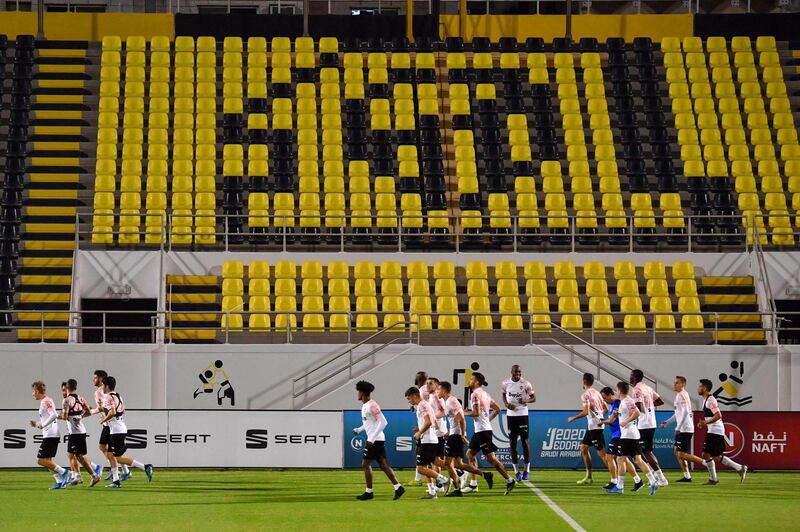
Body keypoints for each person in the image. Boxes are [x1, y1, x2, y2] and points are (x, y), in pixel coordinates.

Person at [437, 381, 493, 497]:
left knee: (448, 463)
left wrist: (461, 435)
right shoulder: (447, 401)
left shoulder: (451, 401)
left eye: (438, 389)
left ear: (443, 391)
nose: (437, 392)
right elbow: (455, 420)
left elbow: (461, 418)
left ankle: (457, 489)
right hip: (454, 434)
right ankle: (485, 474)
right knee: (459, 464)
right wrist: (450, 432)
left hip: (456, 436)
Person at [352, 380, 405, 501]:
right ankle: (398, 487)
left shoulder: (372, 405)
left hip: (375, 440)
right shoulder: (365, 406)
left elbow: (383, 422)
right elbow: (369, 423)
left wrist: (372, 437)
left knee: (365, 464)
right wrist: (359, 430)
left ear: (363, 393)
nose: (357, 394)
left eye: (359, 391)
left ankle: (369, 492)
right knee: (383, 465)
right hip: (376, 439)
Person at [464, 372, 515, 495]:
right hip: (480, 430)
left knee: (490, 458)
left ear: (476, 382)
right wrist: (487, 420)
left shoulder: (475, 394)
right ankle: (473, 484)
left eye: (471, 379)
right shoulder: (485, 394)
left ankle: (509, 480)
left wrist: (464, 413)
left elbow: (476, 413)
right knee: (470, 454)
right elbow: (497, 409)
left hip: (483, 431)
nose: (469, 381)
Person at [98, 376, 154, 488]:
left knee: (117, 457)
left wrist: (104, 419)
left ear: (107, 386)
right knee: (110, 455)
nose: (102, 387)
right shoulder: (118, 395)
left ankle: (145, 467)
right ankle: (116, 481)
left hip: (116, 430)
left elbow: (113, 412)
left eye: (103, 385)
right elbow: (123, 409)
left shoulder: (108, 397)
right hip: (119, 427)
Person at [605, 382, 659, 496]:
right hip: (633, 435)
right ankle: (653, 481)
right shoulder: (625, 401)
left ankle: (619, 487)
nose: (616, 391)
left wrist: (626, 421)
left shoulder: (626, 401)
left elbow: (638, 412)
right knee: (638, 460)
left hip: (628, 435)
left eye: (617, 389)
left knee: (620, 460)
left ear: (619, 390)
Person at [697, 378, 748, 485]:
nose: (698, 388)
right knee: (715, 456)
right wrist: (704, 423)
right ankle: (740, 468)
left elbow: (718, 415)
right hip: (714, 430)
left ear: (705, 388)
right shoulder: (706, 400)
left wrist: (706, 422)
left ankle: (714, 479)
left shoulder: (710, 400)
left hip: (715, 430)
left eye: (700, 386)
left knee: (706, 454)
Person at [404, 387, 451, 499]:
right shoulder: (426, 404)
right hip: (430, 438)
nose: (409, 401)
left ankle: (444, 480)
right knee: (433, 462)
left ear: (414, 395)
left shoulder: (421, 405)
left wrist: (419, 432)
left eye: (409, 398)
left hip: (427, 440)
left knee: (420, 468)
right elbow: (434, 422)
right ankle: (432, 492)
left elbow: (429, 422)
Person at [659, 375, 708, 482]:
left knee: (681, 453)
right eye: (674, 382)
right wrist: (667, 422)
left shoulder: (682, 395)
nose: (674, 384)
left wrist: (679, 427)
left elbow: (685, 412)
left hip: (685, 428)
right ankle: (687, 476)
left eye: (677, 383)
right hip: (683, 428)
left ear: (682, 384)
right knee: (677, 452)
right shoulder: (680, 395)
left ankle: (705, 463)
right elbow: (678, 413)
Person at [567, 373, 610, 485]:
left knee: (602, 454)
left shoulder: (585, 395)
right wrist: (600, 416)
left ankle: (616, 479)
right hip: (594, 426)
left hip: (595, 427)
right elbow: (606, 408)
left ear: (584, 381)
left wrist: (574, 418)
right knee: (584, 448)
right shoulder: (597, 393)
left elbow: (586, 412)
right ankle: (589, 476)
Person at [599, 387, 644, 492]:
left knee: (610, 457)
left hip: (620, 435)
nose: (604, 400)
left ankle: (616, 482)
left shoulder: (618, 403)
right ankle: (637, 481)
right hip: (617, 434)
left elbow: (612, 420)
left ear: (611, 394)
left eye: (605, 397)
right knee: (623, 459)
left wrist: (602, 422)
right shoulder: (612, 405)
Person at [89, 369, 131, 482]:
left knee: (108, 449)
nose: (93, 379)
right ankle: (123, 471)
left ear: (101, 379)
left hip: (109, 423)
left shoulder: (99, 392)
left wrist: (91, 412)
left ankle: (117, 471)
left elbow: (102, 408)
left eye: (95, 377)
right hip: (110, 423)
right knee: (108, 449)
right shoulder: (114, 393)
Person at [59, 379, 102, 487]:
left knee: (79, 457)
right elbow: (88, 411)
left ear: (67, 388)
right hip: (81, 431)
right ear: (75, 387)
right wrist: (79, 416)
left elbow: (64, 417)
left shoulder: (66, 400)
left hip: (75, 433)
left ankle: (94, 475)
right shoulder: (81, 398)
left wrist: (55, 416)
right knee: (72, 454)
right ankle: (78, 476)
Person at [630, 369, 668, 487]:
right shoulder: (648, 387)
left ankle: (661, 478)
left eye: (631, 376)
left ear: (635, 378)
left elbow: (639, 407)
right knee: (644, 451)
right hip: (651, 422)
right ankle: (655, 475)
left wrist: (631, 410)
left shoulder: (637, 389)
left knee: (644, 452)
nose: (630, 379)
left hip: (644, 424)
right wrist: (649, 405)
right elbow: (660, 401)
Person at [29, 381, 69, 490]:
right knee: (48, 461)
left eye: (33, 392)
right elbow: (49, 417)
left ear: (37, 391)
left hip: (50, 435)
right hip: (51, 434)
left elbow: (54, 415)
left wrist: (42, 425)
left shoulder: (45, 401)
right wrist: (38, 424)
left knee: (40, 460)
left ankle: (64, 472)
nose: (33, 394)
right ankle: (60, 482)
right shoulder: (47, 400)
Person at [500, 364, 535, 481]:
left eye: (519, 372)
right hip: (511, 416)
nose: (518, 374)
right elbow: (504, 394)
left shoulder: (526, 383)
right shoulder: (505, 383)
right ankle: (516, 471)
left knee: (525, 442)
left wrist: (525, 400)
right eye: (516, 372)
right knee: (512, 443)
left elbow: (534, 398)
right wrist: (506, 404)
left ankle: (527, 469)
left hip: (522, 414)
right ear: (511, 372)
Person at [407, 371, 428, 486]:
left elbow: (425, 409)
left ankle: (460, 471)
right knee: (423, 453)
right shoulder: (427, 390)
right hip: (428, 425)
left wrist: (420, 429)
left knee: (429, 456)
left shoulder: (421, 391)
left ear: (417, 380)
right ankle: (419, 478)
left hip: (428, 427)